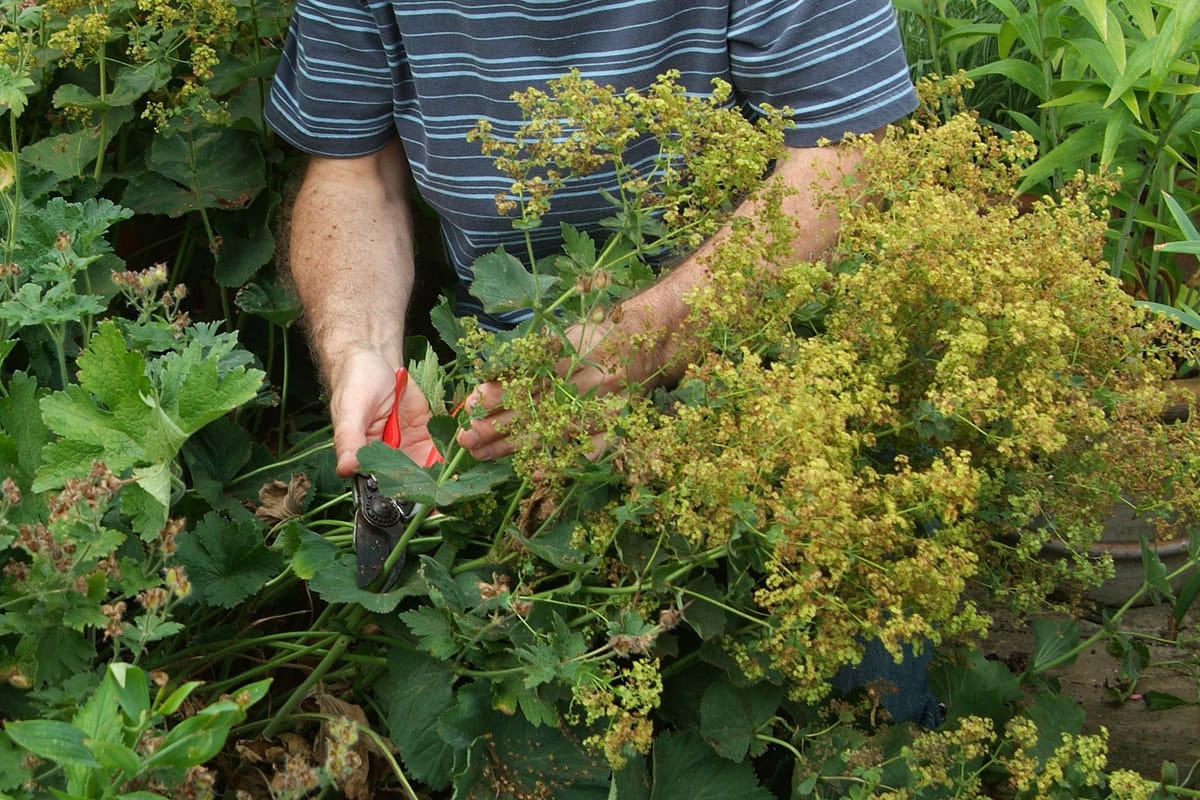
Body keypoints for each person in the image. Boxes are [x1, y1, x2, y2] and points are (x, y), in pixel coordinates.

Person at [266, 0, 940, 725]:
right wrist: (358, 348)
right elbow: (352, 174)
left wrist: (645, 339)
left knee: (864, 722)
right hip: (505, 395)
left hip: (770, 363)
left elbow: (846, 155)